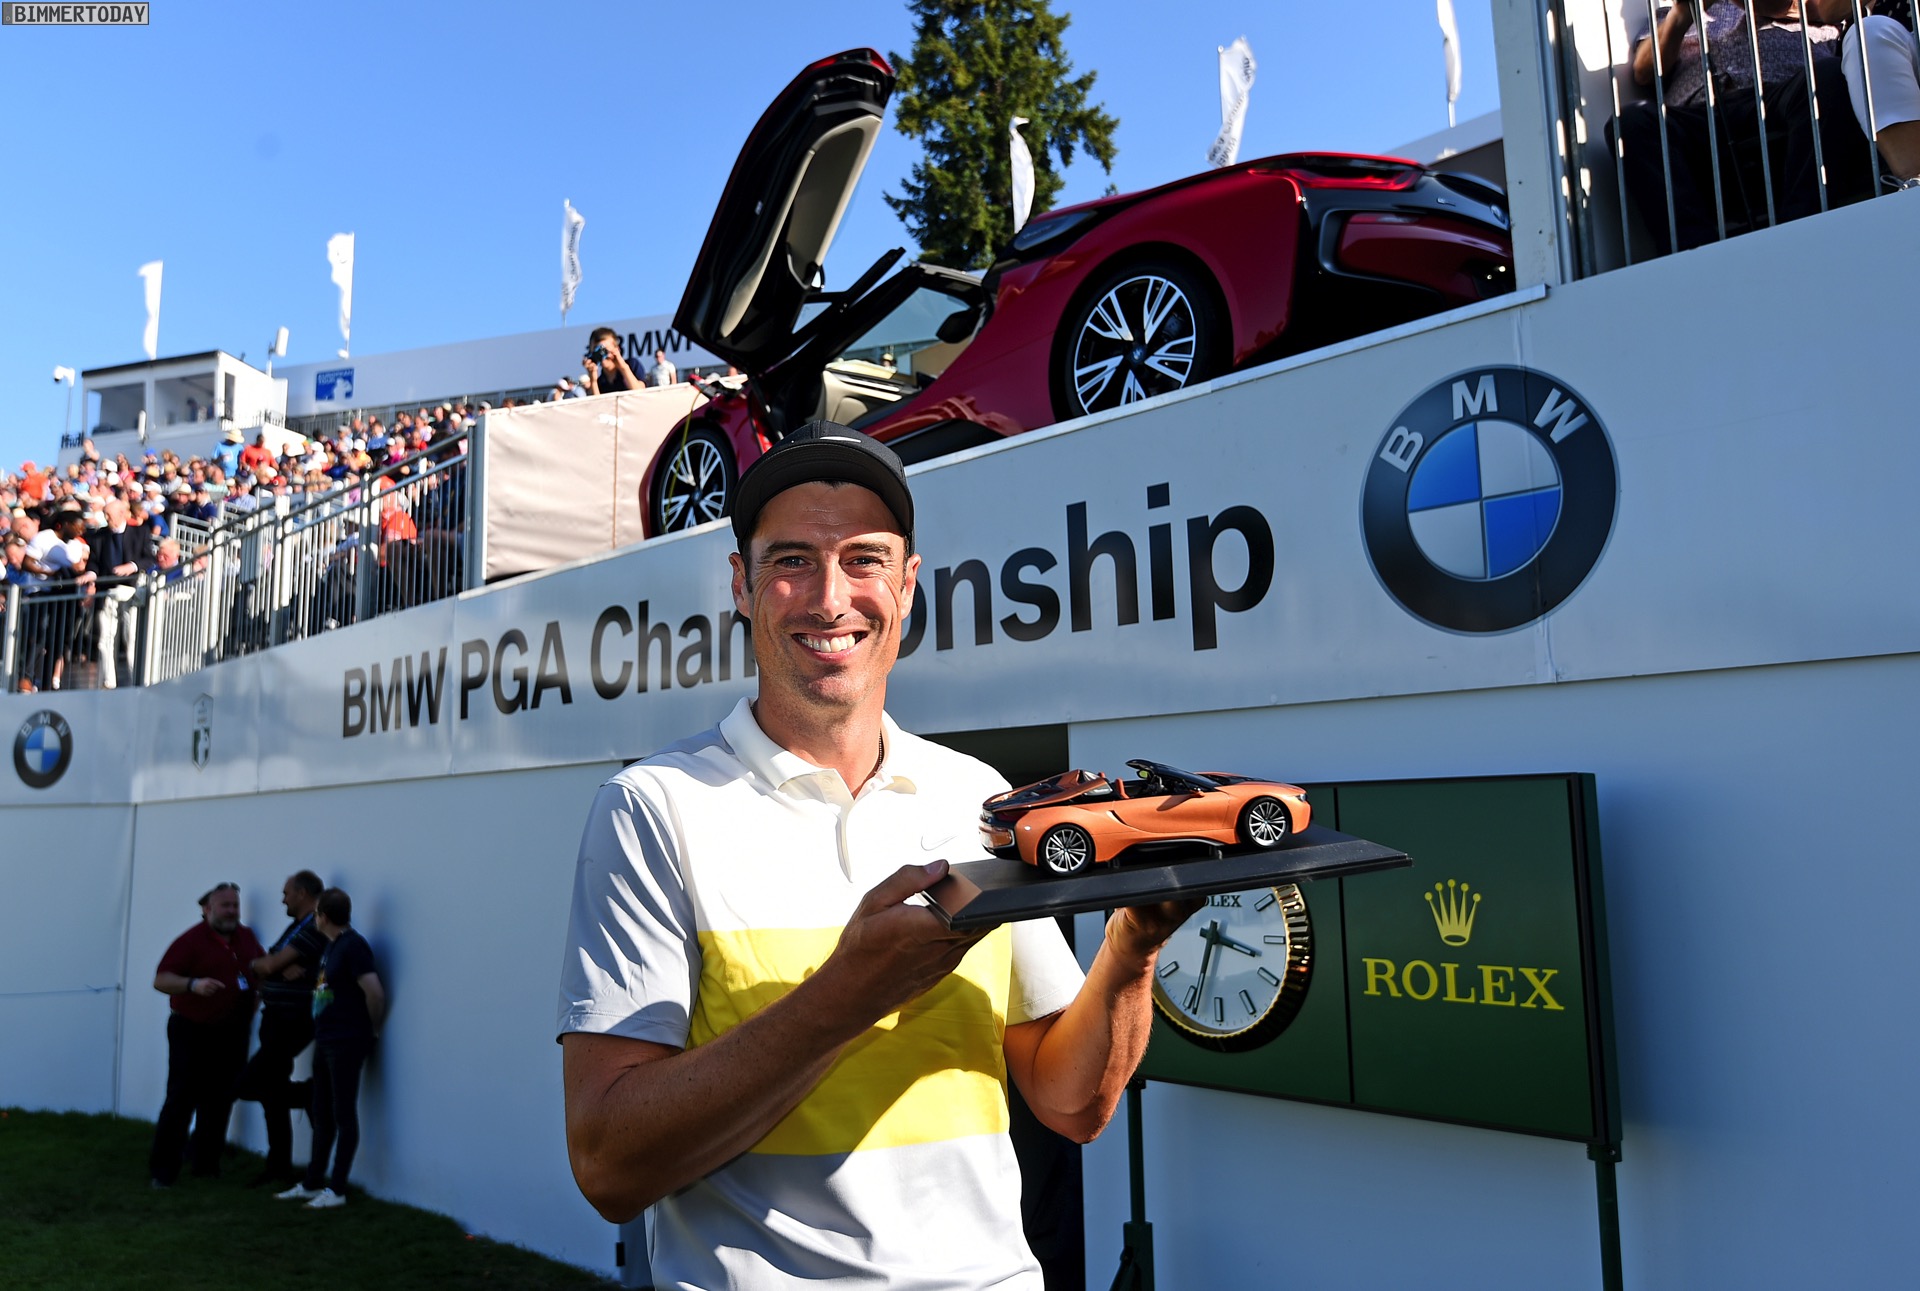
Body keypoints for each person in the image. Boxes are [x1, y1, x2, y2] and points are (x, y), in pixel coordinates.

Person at [558, 421, 1197, 1288]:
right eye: (792, 561)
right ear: (741, 585)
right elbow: (609, 1165)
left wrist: (1132, 947)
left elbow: (1071, 1103)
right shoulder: (652, 808)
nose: (830, 599)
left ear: (908, 585)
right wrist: (847, 996)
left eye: (863, 559)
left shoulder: (975, 794)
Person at [1618, 0, 1871, 253]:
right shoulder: (1669, 11)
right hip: (1700, 115)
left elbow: (1815, 8)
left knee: (1827, 77)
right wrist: (1681, 15)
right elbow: (1643, 72)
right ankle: (1696, 254)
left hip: (1782, 97)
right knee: (1632, 121)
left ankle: (1802, 232)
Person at [149, 882, 266, 1187]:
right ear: (207, 909)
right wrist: (193, 985)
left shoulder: (246, 937)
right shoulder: (190, 941)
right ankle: (163, 1172)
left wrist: (259, 993)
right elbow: (161, 980)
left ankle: (206, 1165)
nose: (232, 911)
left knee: (220, 1099)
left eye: (235, 905)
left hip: (232, 1032)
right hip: (192, 1029)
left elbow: (259, 969)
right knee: (181, 1099)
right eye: (225, 905)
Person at [278, 887, 385, 1210]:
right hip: (325, 1040)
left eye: (316, 914)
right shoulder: (332, 947)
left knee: (343, 1114)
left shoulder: (354, 945)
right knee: (322, 1112)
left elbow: (374, 992)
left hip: (345, 1041)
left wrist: (372, 1029)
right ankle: (313, 1183)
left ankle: (336, 1189)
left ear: (322, 916)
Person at [237, 870, 328, 1186]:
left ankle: (310, 1093)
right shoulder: (297, 926)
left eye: (286, 893)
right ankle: (278, 1167)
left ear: (302, 893)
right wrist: (272, 964)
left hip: (291, 1020)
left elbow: (268, 964)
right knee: (270, 1090)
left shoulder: (314, 926)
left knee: (247, 1084)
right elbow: (272, 962)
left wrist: (264, 965)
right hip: (276, 1017)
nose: (283, 900)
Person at [581, 326, 644, 395]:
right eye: (597, 351)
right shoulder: (600, 382)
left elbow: (640, 393)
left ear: (617, 349)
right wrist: (593, 380)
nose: (602, 355)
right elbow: (597, 401)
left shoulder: (632, 365)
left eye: (604, 350)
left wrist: (623, 367)